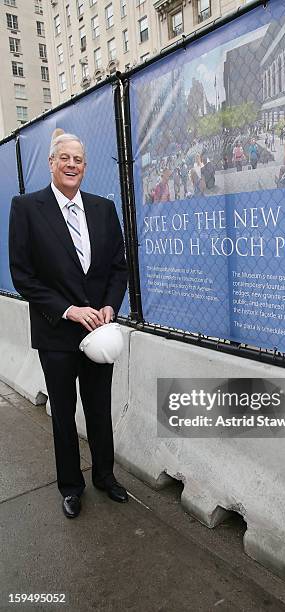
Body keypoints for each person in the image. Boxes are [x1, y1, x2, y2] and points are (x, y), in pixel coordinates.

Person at [8, 132, 128, 519]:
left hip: (99, 332)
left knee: (99, 408)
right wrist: (69, 310)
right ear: (51, 163)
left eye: (78, 159)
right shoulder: (26, 208)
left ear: (85, 166)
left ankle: (105, 477)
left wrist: (109, 305)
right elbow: (23, 276)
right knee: (63, 413)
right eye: (65, 158)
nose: (72, 164)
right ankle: (71, 487)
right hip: (56, 332)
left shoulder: (103, 209)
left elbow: (118, 267)